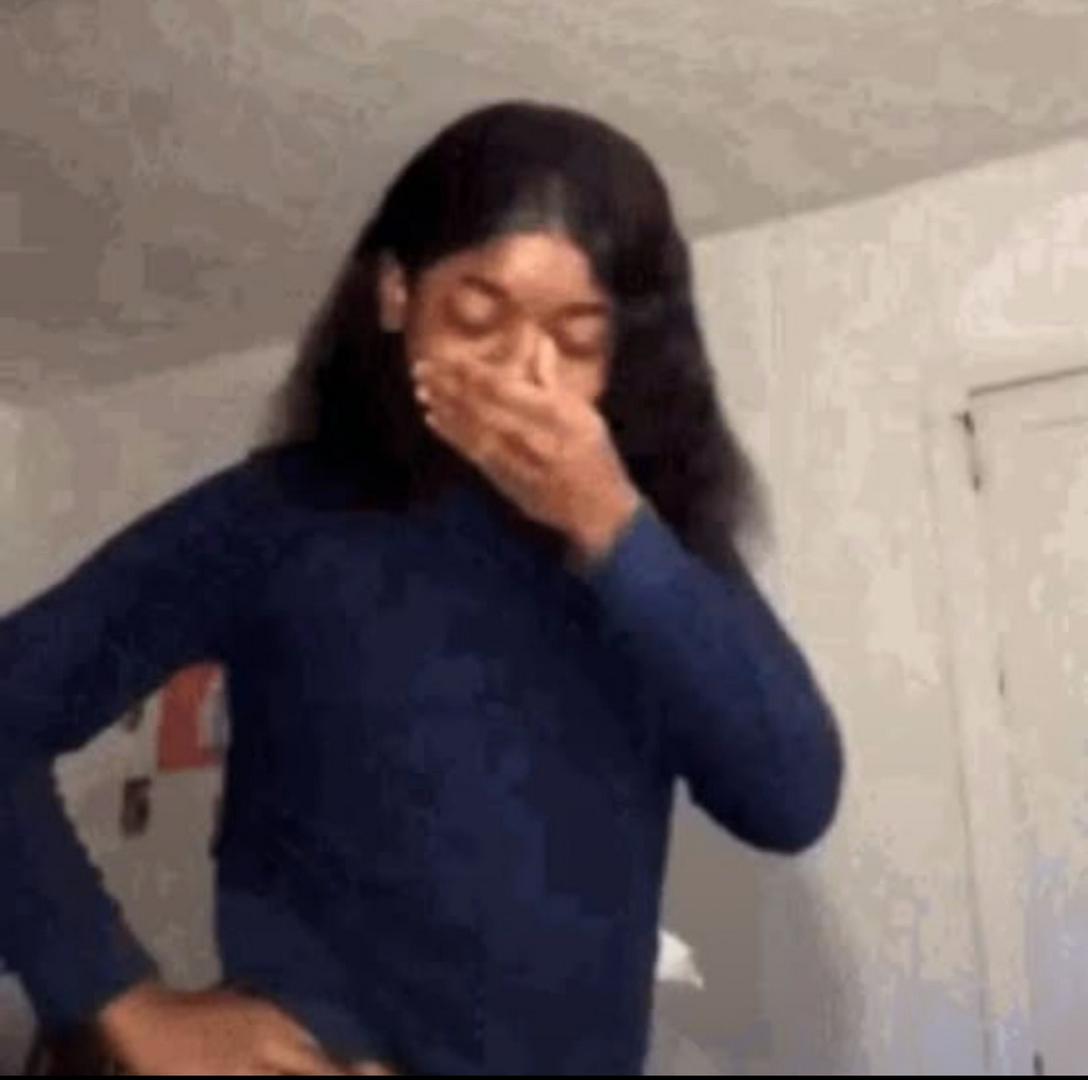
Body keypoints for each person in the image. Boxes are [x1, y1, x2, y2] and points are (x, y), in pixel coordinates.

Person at [0, 101, 844, 1075]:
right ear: (396, 294)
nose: (523, 372)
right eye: (478, 316)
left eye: (577, 337)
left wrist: (613, 525)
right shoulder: (281, 514)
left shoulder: (643, 542)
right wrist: (119, 1003)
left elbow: (791, 799)